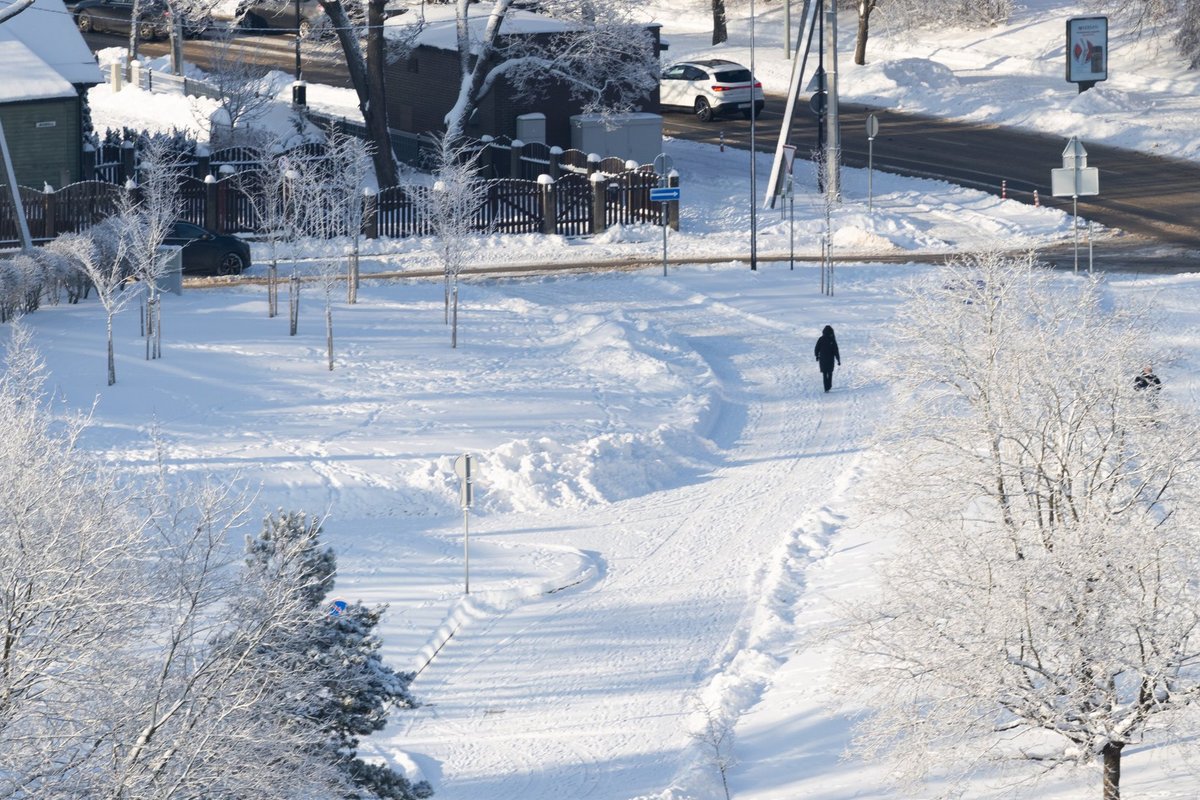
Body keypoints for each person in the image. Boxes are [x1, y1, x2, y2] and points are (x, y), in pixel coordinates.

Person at [814, 325, 841, 393]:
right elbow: (836, 350)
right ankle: (829, 385)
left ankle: (826, 388)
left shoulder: (821, 339)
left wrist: (817, 356)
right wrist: (838, 359)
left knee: (824, 373)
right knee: (830, 373)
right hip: (830, 359)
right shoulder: (832, 339)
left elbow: (817, 348)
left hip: (822, 359)